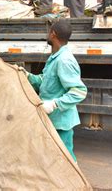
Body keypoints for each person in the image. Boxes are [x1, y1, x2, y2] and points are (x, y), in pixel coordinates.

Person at [19, 19, 87, 162]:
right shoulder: (55, 58)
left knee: (65, 160)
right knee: (53, 161)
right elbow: (46, 81)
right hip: (53, 121)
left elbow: (79, 91)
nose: (47, 34)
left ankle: (74, 184)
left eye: (48, 32)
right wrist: (28, 76)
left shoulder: (64, 60)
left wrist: (54, 104)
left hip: (60, 122)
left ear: (53, 34)